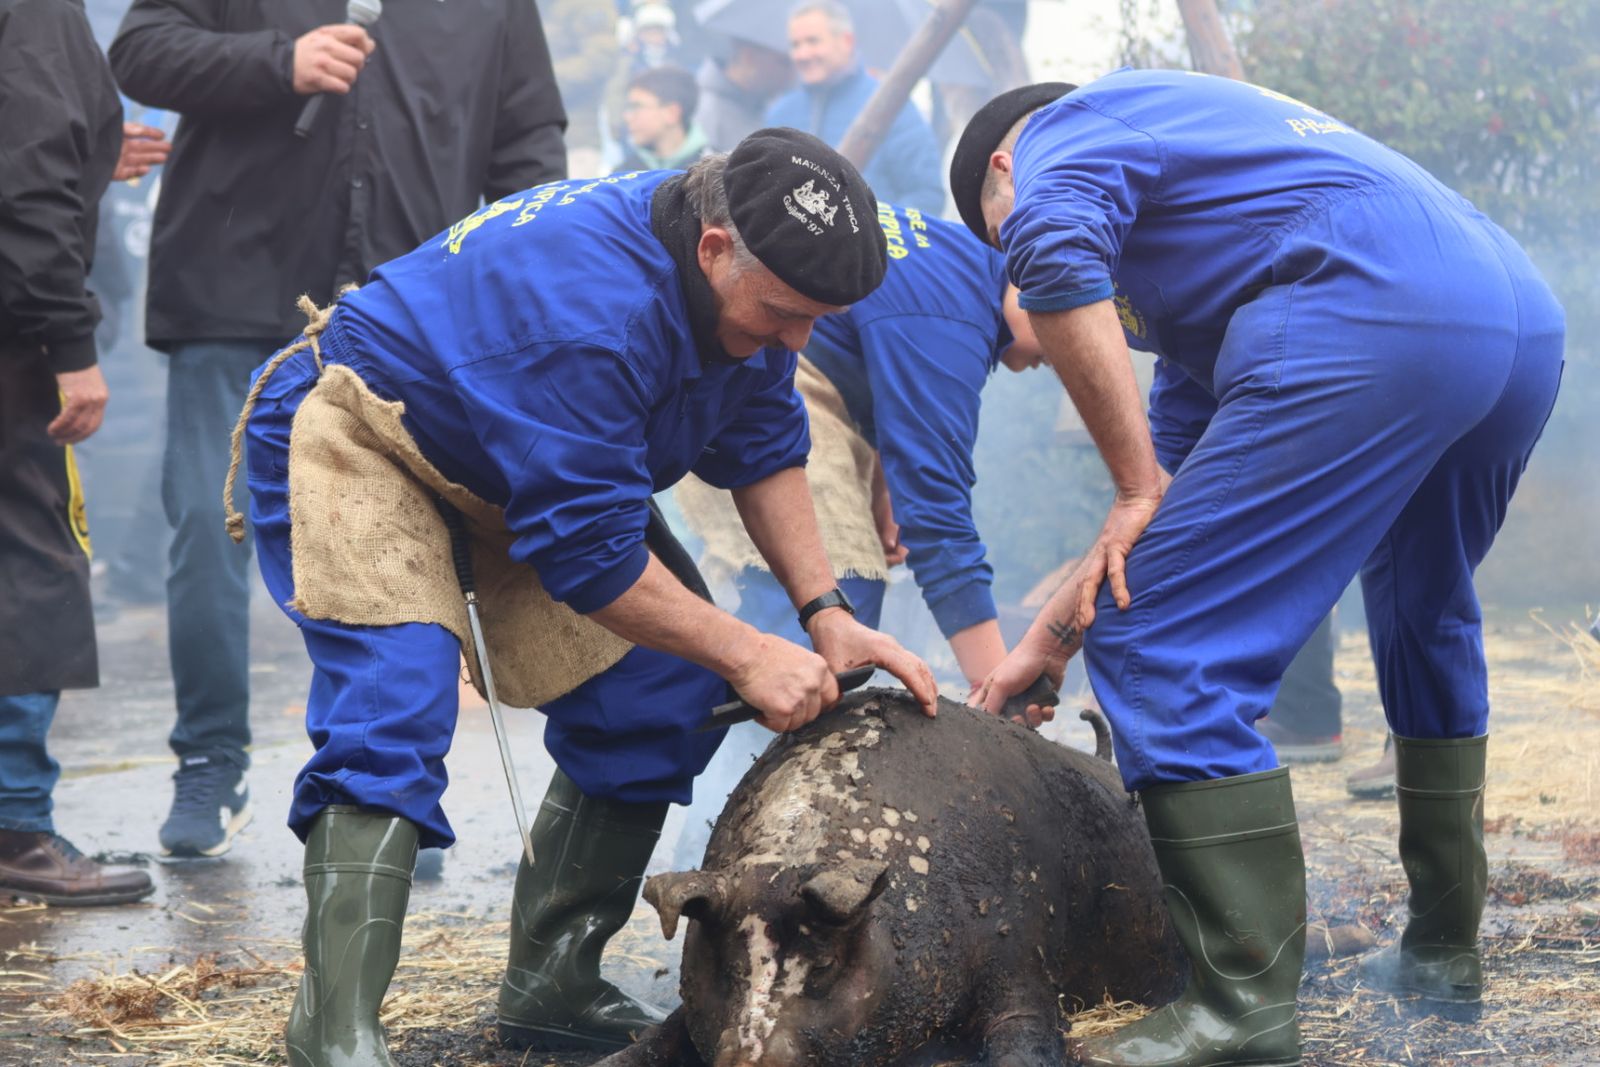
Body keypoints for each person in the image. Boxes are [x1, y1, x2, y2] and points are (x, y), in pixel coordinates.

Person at [237, 132, 937, 1063]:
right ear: (714, 248)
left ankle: (552, 985)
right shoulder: (592, 313)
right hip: (366, 426)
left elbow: (765, 445)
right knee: (392, 705)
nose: (798, 339)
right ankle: (333, 1032)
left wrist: (825, 613)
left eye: (817, 318)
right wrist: (748, 651)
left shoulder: (748, 282)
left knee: (659, 693)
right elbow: (592, 560)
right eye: (784, 313)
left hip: (507, 460)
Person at [956, 73, 1564, 1064]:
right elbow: (1159, 515)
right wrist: (1049, 641)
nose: (1014, 272)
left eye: (999, 243)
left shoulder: (1061, 132)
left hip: (1370, 299)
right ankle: (1443, 954)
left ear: (1002, 168)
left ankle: (1240, 1008)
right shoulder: (1211, 243)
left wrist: (1128, 487)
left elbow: (1055, 246)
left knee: (1159, 637)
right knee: (1424, 609)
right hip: (1510, 314)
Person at [108, 0, 568, 860]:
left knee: (403, 549)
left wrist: (519, 298)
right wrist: (275, 62)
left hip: (406, 306)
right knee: (208, 529)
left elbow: (528, 148)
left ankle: (391, 793)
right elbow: (138, 51)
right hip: (232, 286)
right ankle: (210, 758)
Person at [672, 202, 1047, 864]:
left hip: (794, 378)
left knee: (838, 608)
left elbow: (878, 375)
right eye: (1073, 316)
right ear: (1034, 272)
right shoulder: (951, 318)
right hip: (767, 371)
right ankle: (734, 852)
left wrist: (879, 493)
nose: (1068, 351)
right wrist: (1002, 695)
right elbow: (941, 526)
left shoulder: (954, 267)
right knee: (827, 610)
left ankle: (733, 837)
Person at [0, 0, 157, 907]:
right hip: (13, 343)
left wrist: (92, 150)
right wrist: (70, 344)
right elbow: (26, 188)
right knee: (30, 562)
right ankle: (16, 824)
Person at [765, 1, 945, 215]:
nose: (802, 54)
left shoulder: (891, 106)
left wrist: (873, 228)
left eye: (813, 41)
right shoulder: (781, 114)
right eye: (795, 45)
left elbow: (927, 194)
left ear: (846, 41)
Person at [695, 35, 793, 152]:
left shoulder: (768, 106)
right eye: (784, 63)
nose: (791, 75)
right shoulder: (707, 111)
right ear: (749, 56)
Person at [618, 66, 711, 172]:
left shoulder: (713, 171)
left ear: (671, 113)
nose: (627, 116)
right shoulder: (624, 173)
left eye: (637, 106)